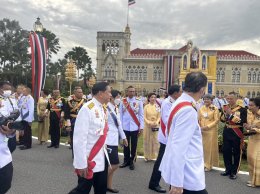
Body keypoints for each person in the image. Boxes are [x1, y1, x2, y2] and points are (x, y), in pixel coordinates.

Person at [160, 72, 208, 194]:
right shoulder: (188, 109)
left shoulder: (180, 102)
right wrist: (177, 182)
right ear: (202, 89)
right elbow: (178, 146)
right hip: (188, 172)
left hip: (184, 169)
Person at [69, 82, 111, 194]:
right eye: (109, 92)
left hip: (101, 158)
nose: (110, 95)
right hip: (89, 161)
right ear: (101, 94)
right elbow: (79, 139)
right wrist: (81, 164)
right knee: (82, 190)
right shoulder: (87, 109)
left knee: (101, 189)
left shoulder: (102, 108)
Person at [149, 84, 181, 193]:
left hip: (172, 136)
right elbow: (168, 121)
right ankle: (154, 183)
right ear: (175, 93)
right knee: (161, 161)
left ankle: (173, 186)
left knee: (171, 161)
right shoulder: (168, 103)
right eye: (180, 91)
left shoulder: (175, 102)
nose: (181, 93)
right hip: (167, 137)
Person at [220, 91, 247, 179]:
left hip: (236, 132)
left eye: (231, 99)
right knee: (226, 151)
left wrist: (230, 115)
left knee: (236, 152)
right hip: (227, 131)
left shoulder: (242, 109)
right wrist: (226, 115)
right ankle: (228, 169)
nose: (229, 100)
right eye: (228, 98)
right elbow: (222, 119)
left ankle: (234, 172)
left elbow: (241, 121)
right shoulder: (225, 107)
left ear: (236, 99)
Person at [0, 81, 21, 193]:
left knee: (5, 184)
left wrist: (11, 129)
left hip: (3, 156)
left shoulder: (5, 101)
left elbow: (7, 119)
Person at [106, 90, 128, 193]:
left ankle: (108, 185)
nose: (119, 99)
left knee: (111, 165)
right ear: (112, 97)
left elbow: (119, 124)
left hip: (114, 139)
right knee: (115, 164)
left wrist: (124, 138)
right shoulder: (105, 108)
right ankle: (99, 180)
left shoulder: (115, 108)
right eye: (118, 97)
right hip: (108, 140)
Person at [119, 86, 144, 170]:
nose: (132, 93)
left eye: (133, 91)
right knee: (126, 144)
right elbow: (120, 115)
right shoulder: (123, 101)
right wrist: (121, 127)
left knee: (134, 145)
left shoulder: (139, 101)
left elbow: (141, 115)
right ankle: (126, 161)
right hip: (125, 126)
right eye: (130, 91)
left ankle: (132, 161)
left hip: (135, 127)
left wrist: (141, 127)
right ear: (127, 92)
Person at [198, 94, 219, 171]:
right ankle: (202, 163)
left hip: (210, 131)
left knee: (209, 148)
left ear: (211, 100)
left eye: (208, 99)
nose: (206, 100)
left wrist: (208, 127)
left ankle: (208, 165)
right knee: (202, 148)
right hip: (202, 130)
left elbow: (216, 120)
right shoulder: (201, 108)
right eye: (205, 99)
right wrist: (199, 126)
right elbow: (199, 119)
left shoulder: (215, 109)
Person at [64, 87, 87, 152]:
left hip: (83, 122)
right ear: (75, 93)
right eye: (79, 92)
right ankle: (74, 154)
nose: (81, 93)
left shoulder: (85, 100)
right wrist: (68, 125)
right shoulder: (70, 101)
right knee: (73, 138)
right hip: (73, 120)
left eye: (81, 92)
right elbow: (67, 113)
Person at [244, 97, 260, 187]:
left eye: (251, 105)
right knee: (250, 159)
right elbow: (250, 125)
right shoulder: (249, 113)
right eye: (249, 105)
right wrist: (247, 126)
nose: (249, 107)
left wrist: (253, 128)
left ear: (258, 106)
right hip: (251, 139)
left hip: (258, 141)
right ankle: (252, 179)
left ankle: (257, 182)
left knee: (256, 160)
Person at [143, 93, 160, 162]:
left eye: (154, 97)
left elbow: (159, 116)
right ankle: (147, 156)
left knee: (155, 141)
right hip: (148, 126)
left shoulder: (157, 106)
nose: (153, 98)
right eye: (152, 97)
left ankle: (154, 156)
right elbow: (144, 116)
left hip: (155, 126)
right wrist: (148, 122)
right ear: (149, 98)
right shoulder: (146, 107)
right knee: (147, 140)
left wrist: (156, 122)